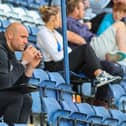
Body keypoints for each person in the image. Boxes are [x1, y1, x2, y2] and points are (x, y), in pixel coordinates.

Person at [37, 5, 121, 88]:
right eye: (59, 18)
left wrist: (73, 54)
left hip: (62, 61)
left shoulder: (55, 33)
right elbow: (56, 56)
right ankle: (100, 76)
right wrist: (73, 54)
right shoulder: (43, 33)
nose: (61, 21)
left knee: (98, 65)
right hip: (54, 66)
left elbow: (66, 50)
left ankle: (103, 94)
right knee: (85, 48)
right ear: (52, 19)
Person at [0, 22, 42, 125]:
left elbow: (16, 85)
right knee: (16, 97)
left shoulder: (9, 51)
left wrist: (30, 68)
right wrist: (23, 62)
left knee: (27, 99)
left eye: (27, 38)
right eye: (23, 37)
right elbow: (4, 84)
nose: (26, 42)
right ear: (10, 35)